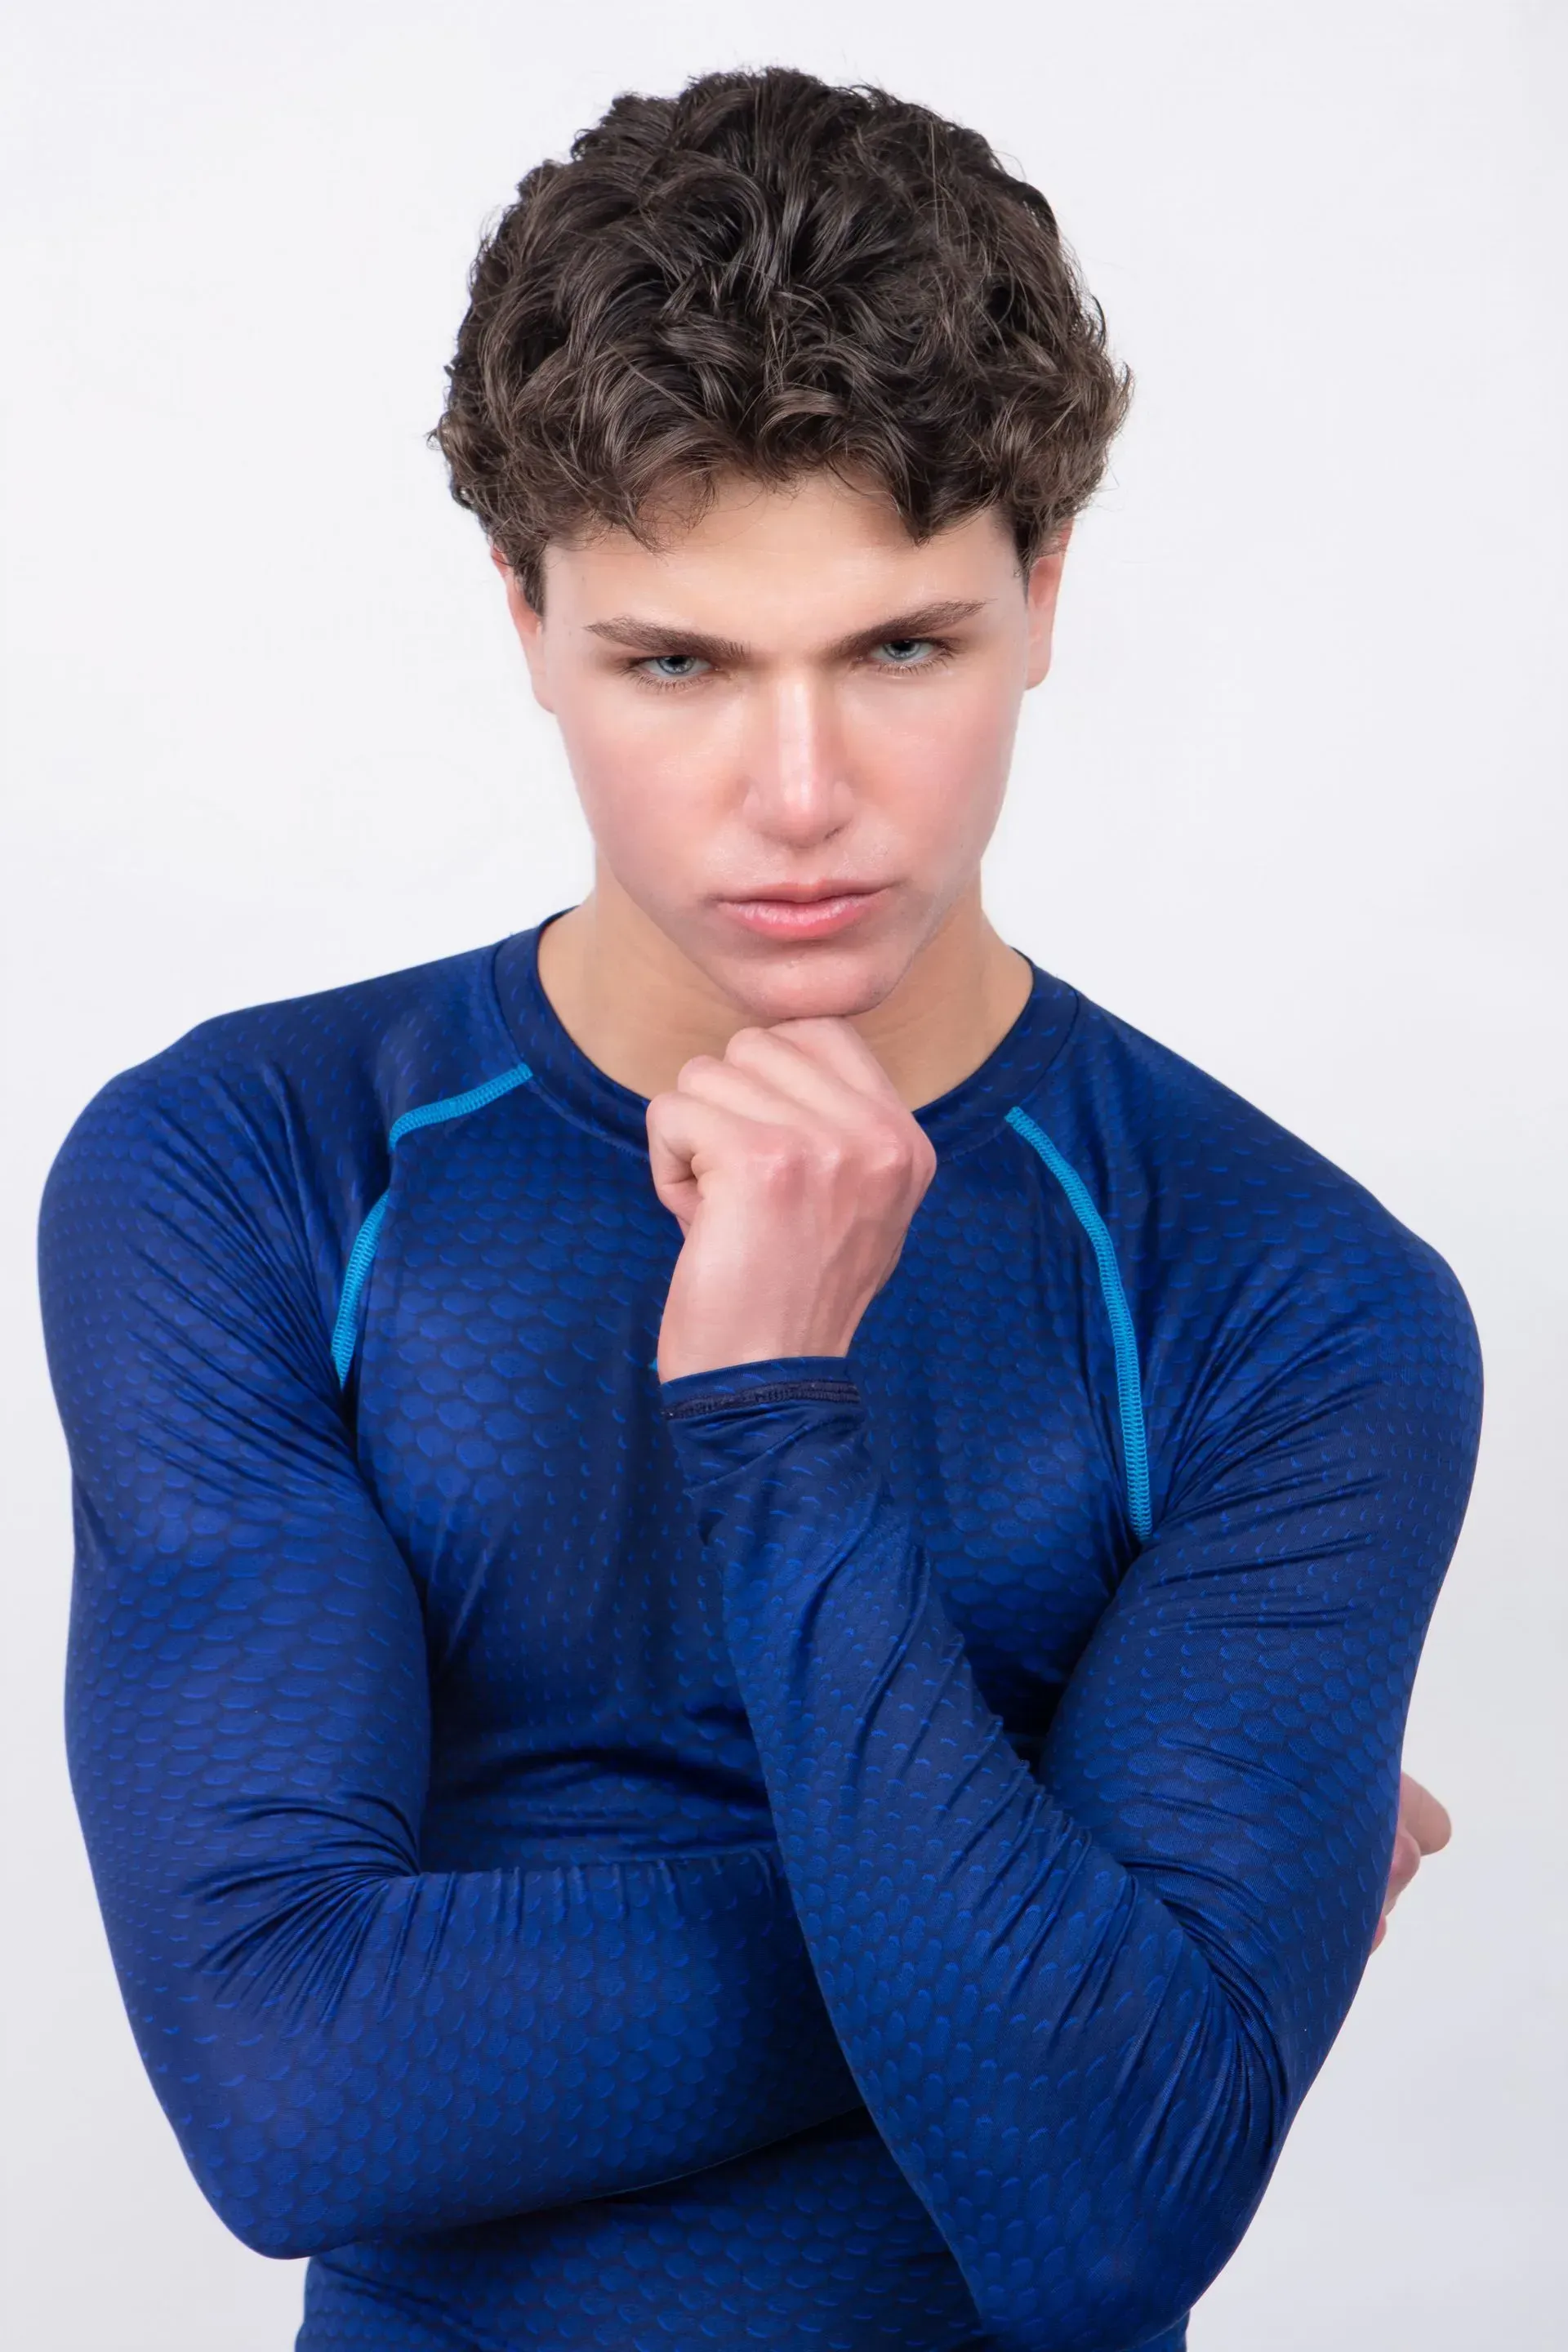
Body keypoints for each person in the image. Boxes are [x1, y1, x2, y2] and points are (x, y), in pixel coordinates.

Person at [38, 65, 1478, 2352]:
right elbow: (288, 2088)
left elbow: (1105, 2216)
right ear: (523, 613)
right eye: (680, 661)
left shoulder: (1289, 1298)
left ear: (1044, 589)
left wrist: (774, 1407)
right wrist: (1079, 1928)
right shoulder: (251, 1168)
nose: (800, 796)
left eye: (901, 647)